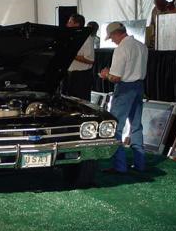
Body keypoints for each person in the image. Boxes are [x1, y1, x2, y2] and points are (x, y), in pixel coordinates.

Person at [100, 22, 148, 173]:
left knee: (116, 128)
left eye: (111, 37)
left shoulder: (121, 49)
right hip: (139, 86)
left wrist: (105, 74)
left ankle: (120, 166)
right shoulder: (142, 46)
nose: (112, 40)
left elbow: (116, 77)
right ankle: (140, 164)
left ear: (116, 34)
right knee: (136, 126)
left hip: (125, 89)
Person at [62, 14, 95, 101]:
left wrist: (71, 54)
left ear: (77, 24)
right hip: (69, 76)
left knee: (80, 103)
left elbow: (90, 60)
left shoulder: (87, 38)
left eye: (70, 22)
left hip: (81, 77)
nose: (67, 24)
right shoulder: (70, 37)